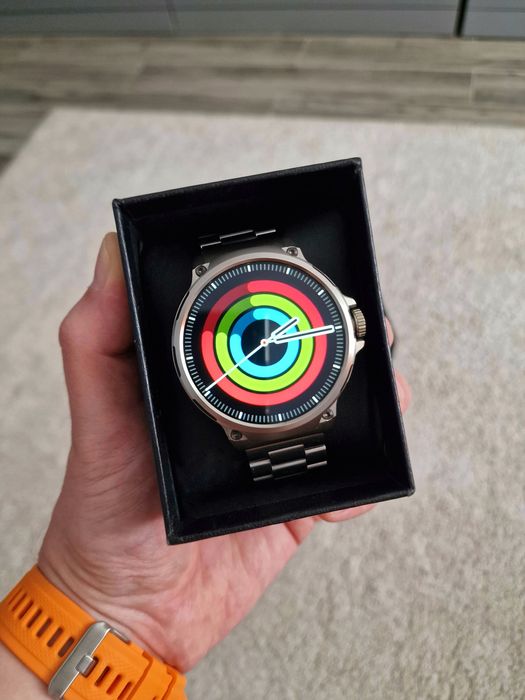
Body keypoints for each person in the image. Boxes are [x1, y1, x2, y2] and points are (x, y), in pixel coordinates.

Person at [0, 233, 411, 698]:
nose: (267, 341)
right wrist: (104, 605)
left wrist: (95, 603)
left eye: (277, 336)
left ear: (352, 324)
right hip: (244, 407)